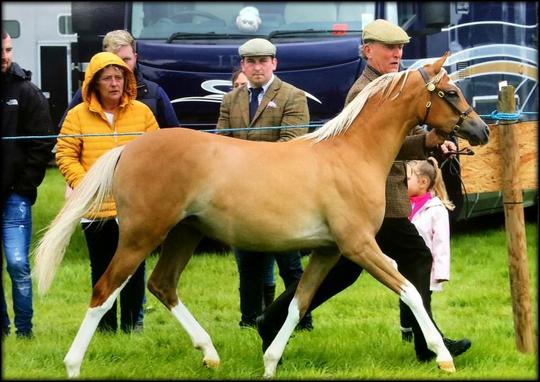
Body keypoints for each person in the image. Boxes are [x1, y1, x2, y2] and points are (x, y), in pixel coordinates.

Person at [256, 19, 471, 363]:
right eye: (389, 48)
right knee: (416, 256)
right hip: (371, 196)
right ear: (368, 50)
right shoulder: (366, 91)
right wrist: (426, 142)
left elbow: (395, 141)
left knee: (341, 269)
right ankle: (427, 344)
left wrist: (431, 143)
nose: (396, 54)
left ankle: (273, 320)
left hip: (376, 194)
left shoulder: (390, 84)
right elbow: (378, 149)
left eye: (400, 48)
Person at [59, 29, 180, 328]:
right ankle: (105, 326)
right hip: (96, 206)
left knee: (134, 267)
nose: (114, 83)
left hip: (134, 208)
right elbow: (64, 154)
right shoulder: (77, 116)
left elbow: (159, 153)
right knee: (101, 267)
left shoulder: (141, 113)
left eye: (120, 77)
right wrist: (87, 183)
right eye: (107, 78)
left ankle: (132, 325)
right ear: (94, 82)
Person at [217, 38, 313, 329]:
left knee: (290, 264)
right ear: (243, 66)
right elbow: (220, 146)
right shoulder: (230, 99)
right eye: (251, 62)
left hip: (280, 194)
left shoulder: (293, 96)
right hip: (242, 196)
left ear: (274, 63)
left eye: (262, 61)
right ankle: (248, 321)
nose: (256, 67)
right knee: (248, 264)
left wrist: (244, 165)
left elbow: (290, 144)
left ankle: (302, 319)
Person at [1, 30, 56, 339]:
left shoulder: (26, 91)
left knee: (18, 265)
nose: (5, 56)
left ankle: (25, 331)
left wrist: (23, 187)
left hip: (15, 198)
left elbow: (43, 142)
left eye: (8, 49)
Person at [401, 157, 455, 340]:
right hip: (404, 266)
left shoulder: (436, 210)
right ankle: (406, 331)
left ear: (423, 182)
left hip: (426, 269)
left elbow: (441, 244)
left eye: (407, 179)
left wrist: (441, 272)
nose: (402, 182)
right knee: (405, 300)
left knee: (422, 302)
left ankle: (423, 339)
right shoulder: (401, 206)